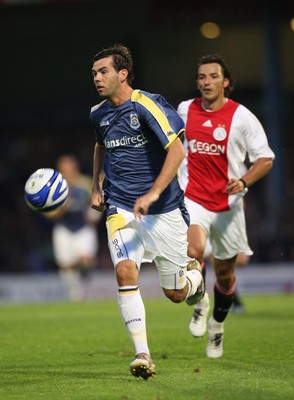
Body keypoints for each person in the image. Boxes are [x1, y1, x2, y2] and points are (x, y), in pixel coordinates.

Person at [89, 43, 204, 380]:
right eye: (94, 73)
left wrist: (153, 193)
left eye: (103, 71)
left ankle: (196, 279)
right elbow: (99, 143)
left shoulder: (148, 106)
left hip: (164, 210)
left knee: (175, 294)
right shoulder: (98, 113)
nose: (96, 78)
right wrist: (97, 185)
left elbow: (178, 150)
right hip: (121, 207)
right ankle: (143, 355)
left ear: (122, 74)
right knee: (125, 273)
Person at [177, 54, 275, 358]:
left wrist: (244, 182)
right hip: (192, 197)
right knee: (192, 252)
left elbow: (266, 158)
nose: (206, 82)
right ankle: (200, 302)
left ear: (226, 81)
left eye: (213, 76)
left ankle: (217, 326)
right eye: (201, 77)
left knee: (225, 276)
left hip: (229, 205)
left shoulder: (242, 117)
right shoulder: (184, 110)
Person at [46, 154, 102, 301]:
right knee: (67, 265)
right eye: (64, 170)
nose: (68, 173)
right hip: (64, 229)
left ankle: (86, 286)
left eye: (70, 169)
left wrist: (93, 215)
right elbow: (49, 215)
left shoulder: (85, 183)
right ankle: (76, 295)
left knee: (85, 261)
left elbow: (97, 202)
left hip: (84, 228)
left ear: (75, 169)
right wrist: (62, 208)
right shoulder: (53, 188)